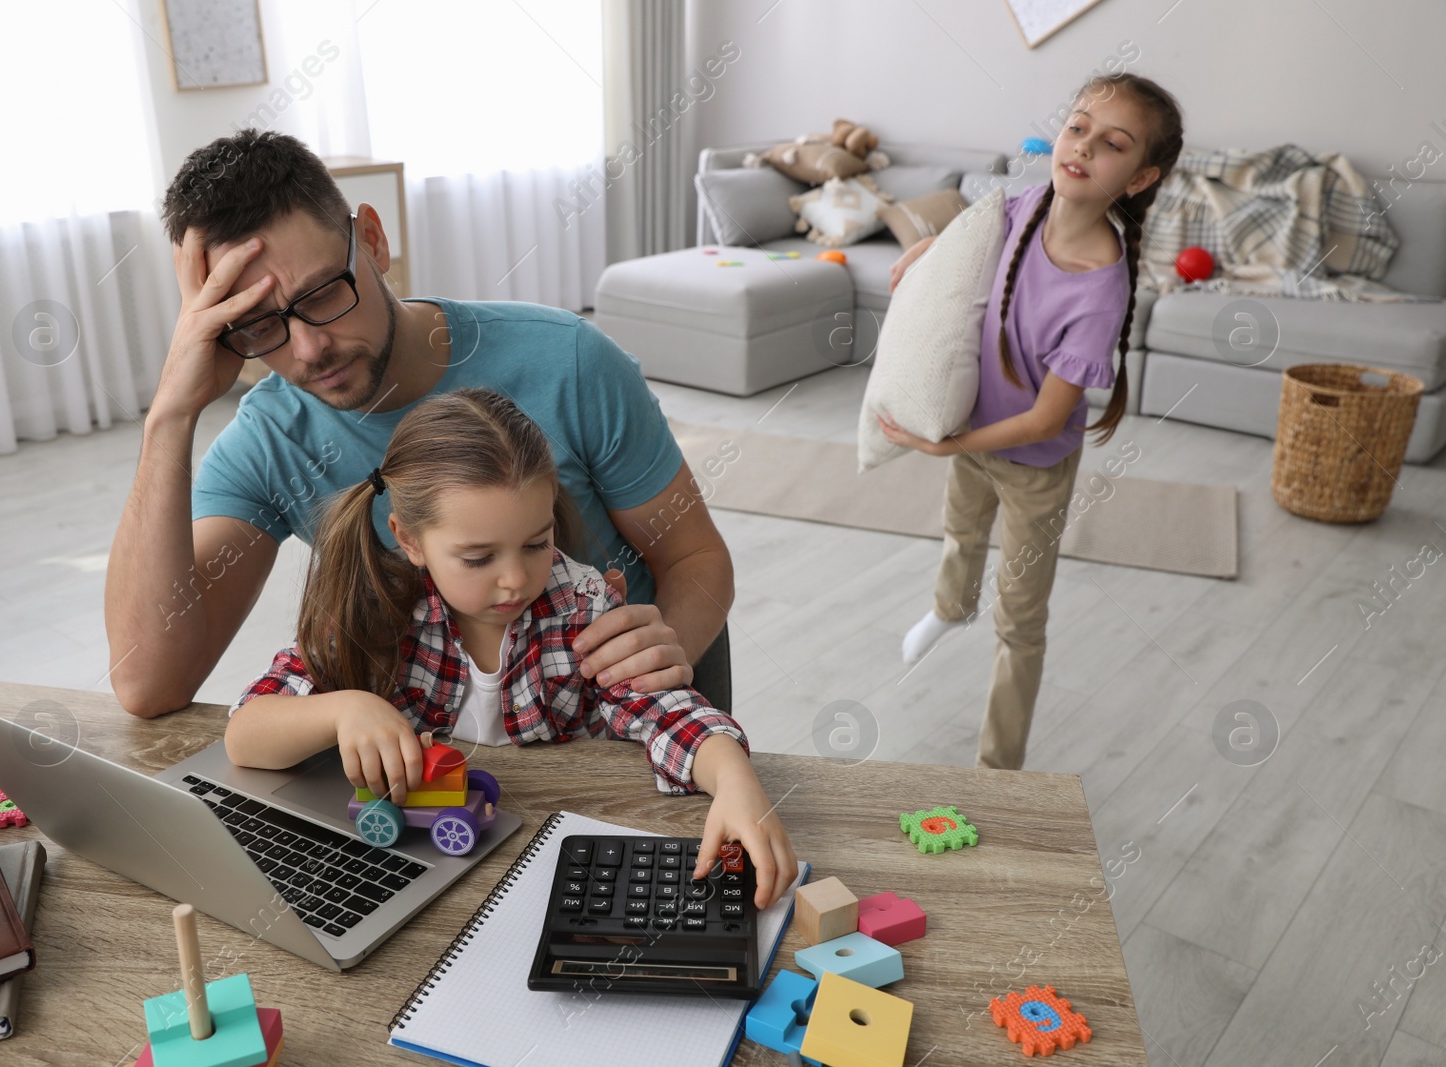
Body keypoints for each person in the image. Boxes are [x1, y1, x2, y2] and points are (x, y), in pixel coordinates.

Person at [105, 129, 734, 719]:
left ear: (373, 241)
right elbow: (149, 683)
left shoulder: (567, 360)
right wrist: (169, 417)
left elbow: (697, 557)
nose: (307, 349)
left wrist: (649, 671)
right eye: (257, 324)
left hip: (618, 720)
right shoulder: (270, 439)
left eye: (323, 293)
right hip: (451, 755)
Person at [223, 387, 797, 907]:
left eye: (536, 543)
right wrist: (344, 708)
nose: (515, 581)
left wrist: (735, 779)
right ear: (409, 540)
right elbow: (246, 735)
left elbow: (666, 710)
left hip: (558, 865)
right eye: (477, 558)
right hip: (420, 879)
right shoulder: (369, 614)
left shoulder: (580, 603)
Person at [879, 73, 1184, 770]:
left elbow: (1047, 416)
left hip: (1034, 464)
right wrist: (921, 253)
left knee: (1020, 620)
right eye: (1077, 127)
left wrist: (946, 444)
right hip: (973, 431)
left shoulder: (1100, 285)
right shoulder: (1023, 205)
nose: (1082, 147)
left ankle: (999, 763)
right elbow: (965, 236)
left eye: (1112, 144)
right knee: (961, 529)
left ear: (1138, 178)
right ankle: (950, 610)